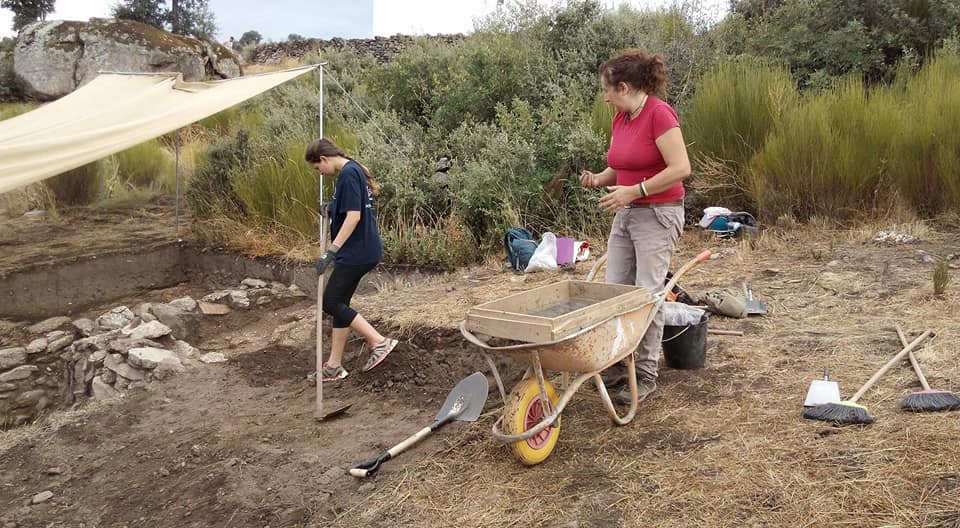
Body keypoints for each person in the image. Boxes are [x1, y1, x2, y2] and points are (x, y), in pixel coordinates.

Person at [579, 49, 691, 405]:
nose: (605, 96)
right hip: (626, 213)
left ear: (623, 86)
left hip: (658, 214)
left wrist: (636, 191)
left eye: (607, 89)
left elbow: (680, 168)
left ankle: (644, 375)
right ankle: (616, 365)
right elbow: (622, 163)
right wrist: (599, 179)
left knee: (647, 295)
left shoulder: (659, 114)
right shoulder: (620, 119)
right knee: (616, 292)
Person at [305, 138, 398, 382]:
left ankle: (379, 341)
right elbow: (348, 209)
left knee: (331, 302)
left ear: (323, 159)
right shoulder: (352, 170)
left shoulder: (348, 174)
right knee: (340, 305)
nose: (320, 174)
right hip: (362, 250)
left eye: (317, 169)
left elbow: (354, 217)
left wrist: (331, 251)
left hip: (357, 252)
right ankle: (334, 366)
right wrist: (331, 209)